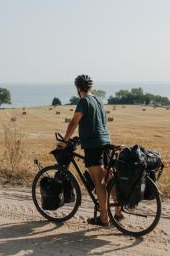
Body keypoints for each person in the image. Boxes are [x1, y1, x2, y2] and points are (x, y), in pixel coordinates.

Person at [57, 74, 123, 226]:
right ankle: (118, 212)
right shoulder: (99, 100)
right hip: (106, 141)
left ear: (78, 88)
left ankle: (104, 218)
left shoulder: (83, 101)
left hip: (94, 145)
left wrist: (65, 140)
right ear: (90, 87)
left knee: (98, 181)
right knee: (109, 177)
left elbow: (74, 122)